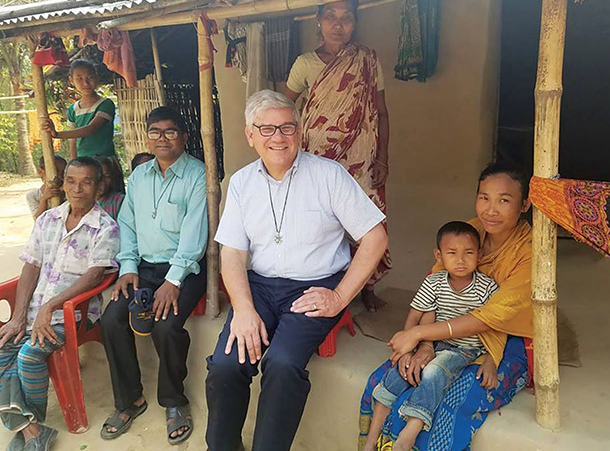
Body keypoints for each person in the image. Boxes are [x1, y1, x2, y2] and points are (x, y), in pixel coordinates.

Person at [205, 90, 388, 451]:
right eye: (267, 129)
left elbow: (375, 238)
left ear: (300, 132)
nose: (278, 138)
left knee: (283, 364)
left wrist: (339, 297)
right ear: (250, 135)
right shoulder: (241, 183)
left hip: (313, 287)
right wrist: (242, 309)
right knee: (227, 365)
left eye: (287, 128)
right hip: (258, 287)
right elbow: (231, 252)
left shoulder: (329, 175)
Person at [359, 162, 534, 451]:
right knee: (393, 377)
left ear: (524, 204)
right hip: (442, 331)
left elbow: (492, 317)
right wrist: (424, 343)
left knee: (453, 403)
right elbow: (435, 288)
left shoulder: (528, 253)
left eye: (504, 200)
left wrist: (417, 335)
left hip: (501, 338)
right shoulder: (470, 232)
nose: (491, 210)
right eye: (484, 197)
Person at [99, 106, 207, 445]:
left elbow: (194, 236)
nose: (162, 139)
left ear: (184, 137)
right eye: (155, 132)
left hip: (186, 269)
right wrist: (128, 269)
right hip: (143, 268)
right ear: (147, 136)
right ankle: (130, 399)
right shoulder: (140, 176)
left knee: (167, 325)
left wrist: (172, 282)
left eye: (171, 132)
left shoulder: (198, 175)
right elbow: (128, 226)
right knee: (112, 319)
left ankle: (174, 402)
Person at [0, 157, 119, 451]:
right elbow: (31, 266)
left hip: (73, 316)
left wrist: (49, 307)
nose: (77, 189)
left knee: (28, 356)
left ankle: (30, 427)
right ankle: (32, 429)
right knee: (3, 347)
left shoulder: (106, 227)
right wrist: (17, 316)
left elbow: (93, 277)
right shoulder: (48, 219)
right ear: (63, 183)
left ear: (99, 186)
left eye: (86, 182)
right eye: (71, 181)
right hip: (34, 313)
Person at [285, 0, 392, 312]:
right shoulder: (304, 64)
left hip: (362, 161)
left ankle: (367, 286)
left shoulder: (367, 60)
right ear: (317, 20)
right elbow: (285, 111)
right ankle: (324, 286)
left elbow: (382, 113)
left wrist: (383, 158)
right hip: (317, 159)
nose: (338, 24)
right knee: (322, 224)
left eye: (346, 18)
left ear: (354, 23)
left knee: (368, 225)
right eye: (330, 16)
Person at [363, 221, 499, 451]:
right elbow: (414, 316)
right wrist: (408, 348)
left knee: (434, 371)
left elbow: (496, 327)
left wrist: (491, 360)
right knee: (399, 372)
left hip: (465, 349)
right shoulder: (434, 282)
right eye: (452, 253)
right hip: (434, 342)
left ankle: (411, 431)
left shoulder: (486, 287)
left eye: (468, 253)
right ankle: (371, 439)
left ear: (480, 254)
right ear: (439, 255)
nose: (461, 260)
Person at [41, 59, 117, 159]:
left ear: (96, 77)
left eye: (90, 77)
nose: (86, 83)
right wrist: (73, 162)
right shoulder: (73, 109)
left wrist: (57, 134)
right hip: (83, 163)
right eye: (79, 79)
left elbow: (91, 128)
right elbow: (73, 140)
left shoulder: (105, 104)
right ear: (71, 81)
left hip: (105, 162)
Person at [25, 154, 67, 219]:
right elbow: (38, 219)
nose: (60, 176)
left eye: (63, 172)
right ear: (40, 172)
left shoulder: (68, 192)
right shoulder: (33, 195)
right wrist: (44, 199)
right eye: (56, 171)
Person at [95, 156, 126, 220]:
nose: (102, 181)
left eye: (106, 176)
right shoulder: (82, 202)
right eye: (97, 176)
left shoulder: (119, 202)